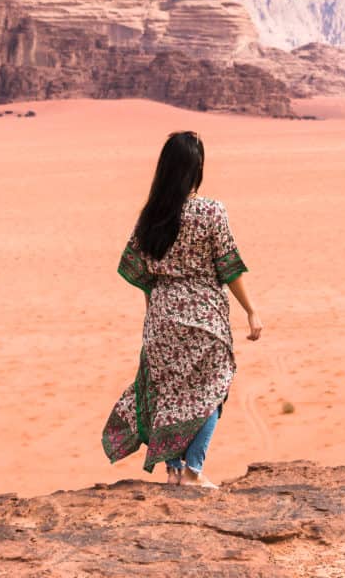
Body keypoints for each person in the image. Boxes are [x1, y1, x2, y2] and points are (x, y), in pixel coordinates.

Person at [102, 130, 262, 487]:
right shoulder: (211, 211)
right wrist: (251, 310)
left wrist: (156, 320)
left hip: (161, 318)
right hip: (205, 320)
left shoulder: (150, 217)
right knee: (214, 387)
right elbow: (229, 266)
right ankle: (192, 468)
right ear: (196, 168)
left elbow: (140, 273)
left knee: (171, 394)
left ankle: (173, 471)